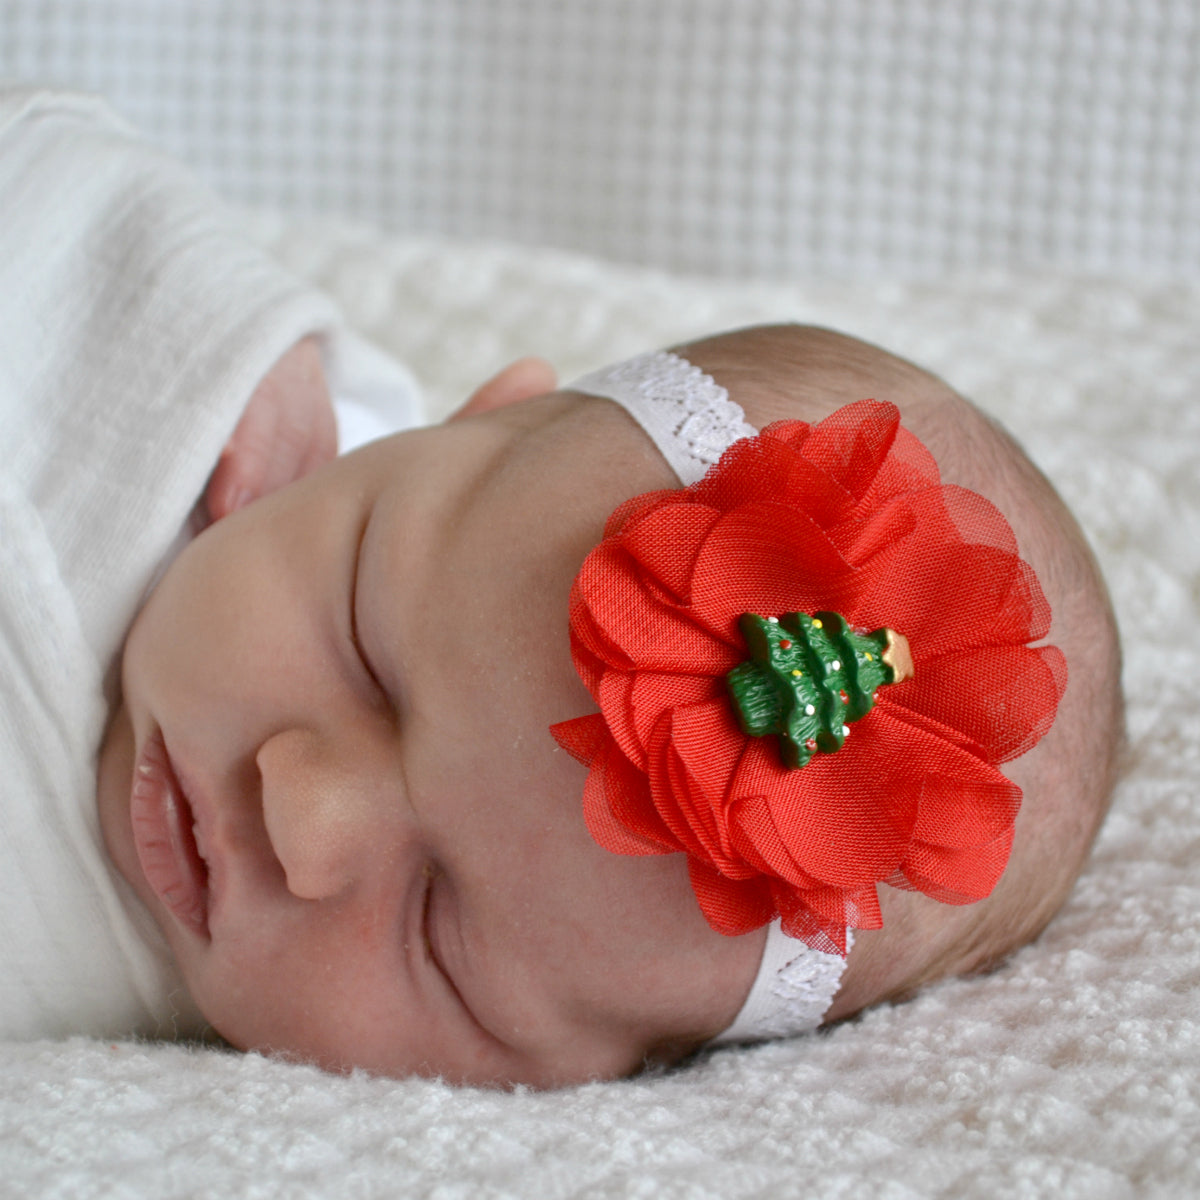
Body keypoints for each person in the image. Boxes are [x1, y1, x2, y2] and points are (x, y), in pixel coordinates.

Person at [2, 90, 1123, 1089]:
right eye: (363, 648)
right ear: (467, 418)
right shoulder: (228, 420)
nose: (301, 814)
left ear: (589, 1081)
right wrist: (223, 333)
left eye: (436, 932)